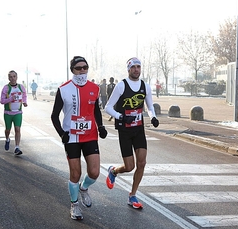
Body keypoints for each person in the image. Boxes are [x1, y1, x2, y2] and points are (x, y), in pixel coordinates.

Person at [51, 56, 107, 220]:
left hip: (90, 135)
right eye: (78, 68)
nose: (82, 71)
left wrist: (101, 126)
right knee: (75, 174)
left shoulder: (94, 88)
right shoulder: (63, 89)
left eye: (85, 67)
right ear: (72, 70)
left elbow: (95, 110)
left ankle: (84, 188)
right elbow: (54, 116)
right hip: (72, 137)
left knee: (95, 172)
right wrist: (62, 133)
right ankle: (74, 205)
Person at [104, 57, 159, 209]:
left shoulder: (145, 86)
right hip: (125, 129)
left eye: (138, 67)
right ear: (128, 69)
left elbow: (149, 106)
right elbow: (108, 107)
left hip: (138, 128)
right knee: (129, 167)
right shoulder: (122, 86)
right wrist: (121, 116)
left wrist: (153, 117)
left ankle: (132, 195)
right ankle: (114, 171)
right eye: (133, 67)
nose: (136, 70)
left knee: (142, 163)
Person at [0, 70, 28, 155]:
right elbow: (2, 101)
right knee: (8, 130)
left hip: (18, 113)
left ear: (17, 77)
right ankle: (7, 139)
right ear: (8, 78)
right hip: (8, 113)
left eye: (14, 76)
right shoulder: (6, 88)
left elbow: (24, 96)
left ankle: (17, 147)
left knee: (17, 129)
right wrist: (10, 99)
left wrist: (24, 102)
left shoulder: (21, 87)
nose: (12, 78)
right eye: (11, 77)